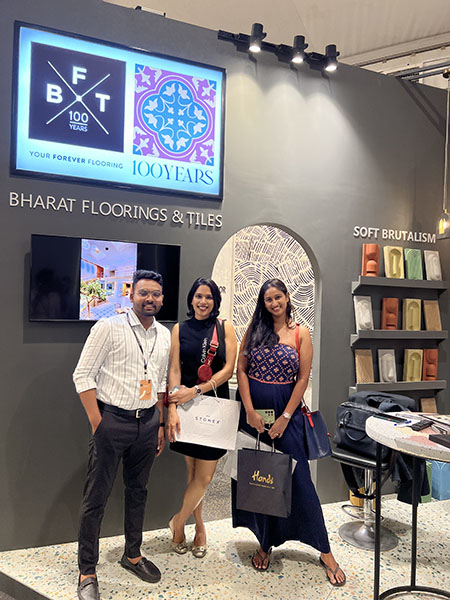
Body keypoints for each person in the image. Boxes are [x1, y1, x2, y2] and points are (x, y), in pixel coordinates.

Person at [232, 278, 346, 586]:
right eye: (268, 299)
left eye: (277, 297)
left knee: (300, 482)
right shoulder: (254, 330)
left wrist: (284, 416)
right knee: (261, 480)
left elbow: (303, 378)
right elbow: (241, 370)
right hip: (253, 418)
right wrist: (250, 411)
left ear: (286, 297)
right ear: (263, 303)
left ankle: (324, 551)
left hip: (288, 418)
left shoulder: (300, 333)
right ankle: (265, 542)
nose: (273, 303)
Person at [73, 270, 171, 600]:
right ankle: (87, 571)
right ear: (131, 295)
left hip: (148, 423)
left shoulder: (164, 335)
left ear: (161, 299)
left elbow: (160, 383)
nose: (150, 299)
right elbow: (82, 375)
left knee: (138, 491)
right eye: (143, 293)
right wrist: (97, 422)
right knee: (96, 498)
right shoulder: (108, 327)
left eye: (155, 294)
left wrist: (159, 423)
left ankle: (132, 555)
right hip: (112, 422)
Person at [166, 277, 237, 558]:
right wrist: (172, 405)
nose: (203, 301)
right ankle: (199, 528)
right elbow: (174, 369)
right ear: (191, 299)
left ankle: (177, 522)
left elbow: (228, 369)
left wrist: (196, 390)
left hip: (213, 409)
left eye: (208, 297)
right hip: (186, 410)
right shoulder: (179, 329)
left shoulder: (224, 327)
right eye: (198, 296)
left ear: (215, 301)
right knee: (193, 474)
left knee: (204, 478)